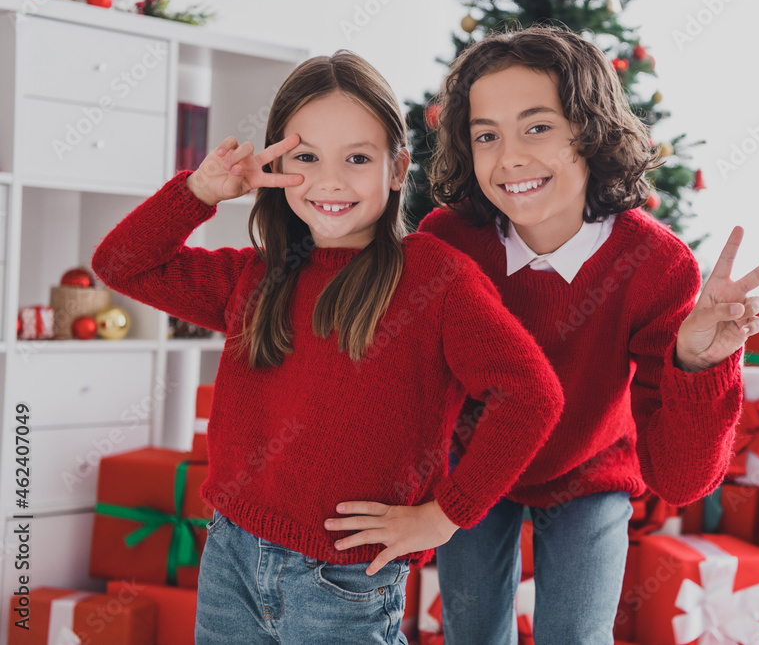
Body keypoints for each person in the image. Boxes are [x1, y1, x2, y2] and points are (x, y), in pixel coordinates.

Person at [91, 51, 564, 645]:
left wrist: (446, 515)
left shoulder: (434, 279)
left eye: (358, 159)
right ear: (275, 162)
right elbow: (121, 265)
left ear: (397, 169)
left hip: (346, 582)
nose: (331, 181)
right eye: (306, 158)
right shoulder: (256, 276)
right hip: (231, 557)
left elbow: (532, 394)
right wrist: (201, 191)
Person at [340, 25, 759, 644]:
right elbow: (406, 379)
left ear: (590, 133)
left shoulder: (656, 264)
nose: (510, 158)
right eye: (486, 136)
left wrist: (696, 363)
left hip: (591, 470)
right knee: (471, 633)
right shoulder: (449, 241)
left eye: (537, 127)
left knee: (575, 635)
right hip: (473, 469)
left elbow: (682, 481)